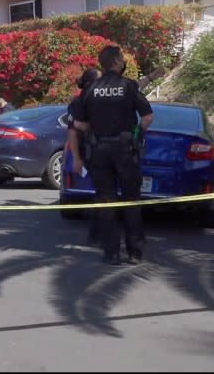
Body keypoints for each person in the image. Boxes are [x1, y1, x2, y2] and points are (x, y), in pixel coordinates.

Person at [73, 46, 154, 265]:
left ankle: (111, 253)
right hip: (126, 150)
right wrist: (136, 134)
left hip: (100, 151)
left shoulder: (91, 88)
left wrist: (94, 128)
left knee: (106, 201)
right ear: (117, 61)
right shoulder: (128, 86)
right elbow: (147, 117)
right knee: (131, 201)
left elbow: (78, 123)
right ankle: (134, 253)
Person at [67, 67, 102, 243]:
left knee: (104, 194)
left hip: (105, 151)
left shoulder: (102, 99)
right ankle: (95, 234)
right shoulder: (78, 103)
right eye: (99, 80)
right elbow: (73, 132)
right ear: (89, 83)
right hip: (90, 151)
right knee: (100, 193)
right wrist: (77, 159)